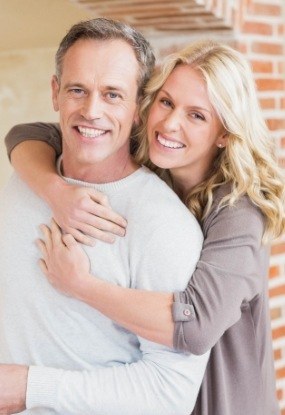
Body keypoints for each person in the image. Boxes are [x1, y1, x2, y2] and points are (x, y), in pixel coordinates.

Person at [4, 40, 285, 415]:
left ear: (224, 134)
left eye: (197, 116)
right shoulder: (151, 154)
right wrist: (56, 191)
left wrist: (81, 285)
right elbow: (27, 134)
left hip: (223, 401)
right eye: (167, 102)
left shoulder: (239, 213)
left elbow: (196, 325)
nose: (170, 124)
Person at [0, 18, 211, 415]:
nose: (91, 111)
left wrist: (29, 387)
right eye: (77, 89)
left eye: (112, 95)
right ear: (55, 93)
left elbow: (170, 394)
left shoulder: (162, 225)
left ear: (138, 109)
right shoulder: (24, 180)